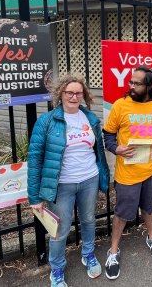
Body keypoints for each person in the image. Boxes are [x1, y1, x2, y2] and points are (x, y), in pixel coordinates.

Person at [27, 74, 110, 287]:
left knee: (89, 220)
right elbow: (35, 160)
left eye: (78, 92)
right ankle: (56, 268)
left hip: (88, 179)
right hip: (61, 185)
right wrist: (35, 196)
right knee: (60, 229)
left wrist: (103, 176)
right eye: (69, 92)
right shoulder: (47, 122)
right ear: (61, 94)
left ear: (83, 95)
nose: (74, 97)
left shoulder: (90, 118)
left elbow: (98, 150)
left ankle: (88, 254)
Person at [102, 65, 152, 280]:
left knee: (148, 207)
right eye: (130, 82)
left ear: (149, 86)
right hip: (128, 173)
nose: (130, 86)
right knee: (121, 214)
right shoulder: (120, 105)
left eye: (136, 83)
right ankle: (113, 251)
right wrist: (115, 148)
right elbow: (108, 134)